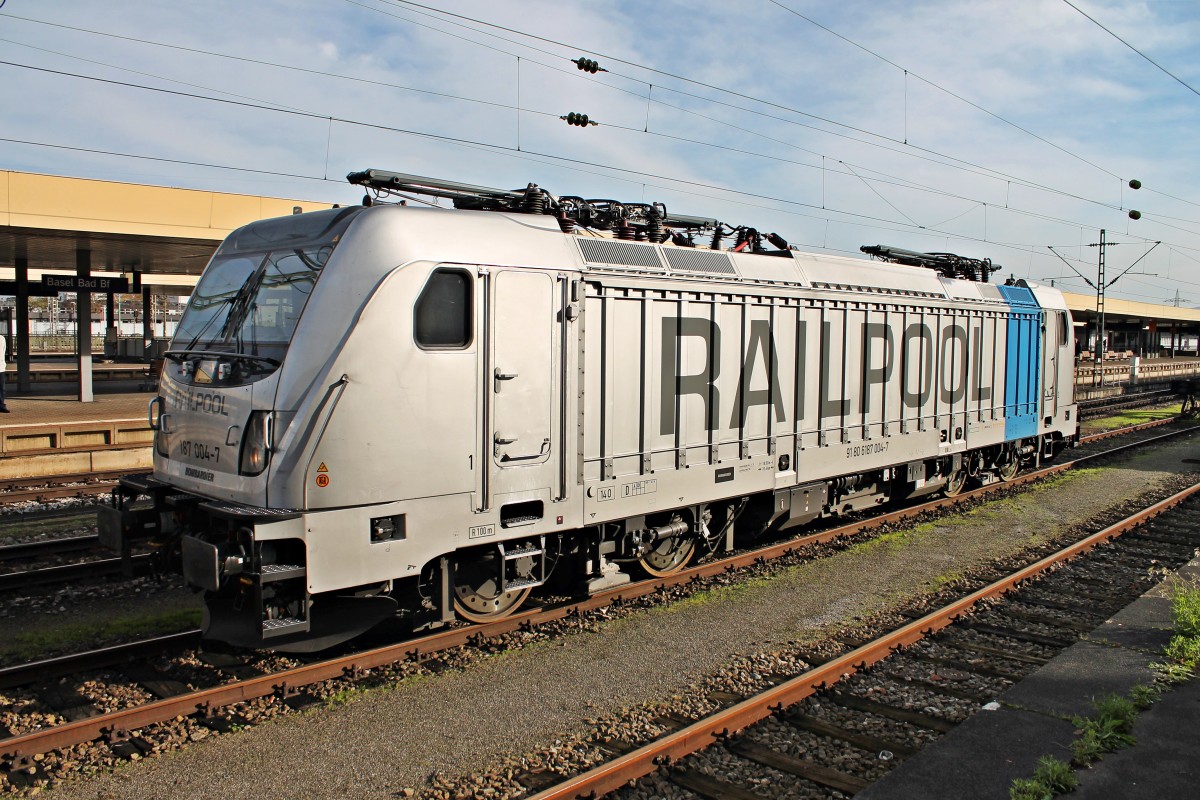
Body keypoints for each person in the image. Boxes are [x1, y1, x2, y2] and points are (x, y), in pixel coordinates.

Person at [0, 335, 9, 412]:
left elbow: (3, 351)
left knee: (2, 389)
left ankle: (1, 405)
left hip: (1, 367)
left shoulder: (2, 338)